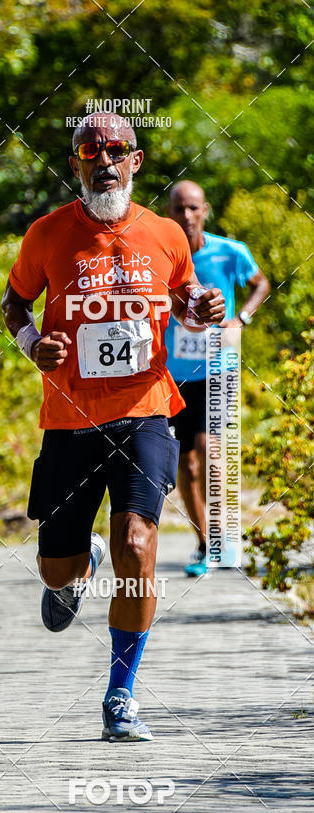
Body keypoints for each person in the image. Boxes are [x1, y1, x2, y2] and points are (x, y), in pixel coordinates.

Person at [2, 115, 225, 742]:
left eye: (116, 150)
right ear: (76, 164)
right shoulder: (47, 234)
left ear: (136, 160)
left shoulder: (166, 233)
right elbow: (14, 303)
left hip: (146, 411)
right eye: (90, 152)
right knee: (57, 569)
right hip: (69, 421)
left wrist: (204, 307)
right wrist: (31, 343)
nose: (104, 160)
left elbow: (185, 297)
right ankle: (80, 565)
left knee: (138, 543)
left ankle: (120, 695)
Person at [165, 181, 269, 577]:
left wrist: (241, 319)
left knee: (210, 451)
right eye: (179, 208)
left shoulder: (231, 251)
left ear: (205, 210)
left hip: (217, 368)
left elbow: (260, 284)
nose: (187, 216)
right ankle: (205, 544)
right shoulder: (161, 255)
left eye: (193, 208)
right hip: (174, 375)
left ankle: (223, 537)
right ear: (169, 212)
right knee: (187, 464)